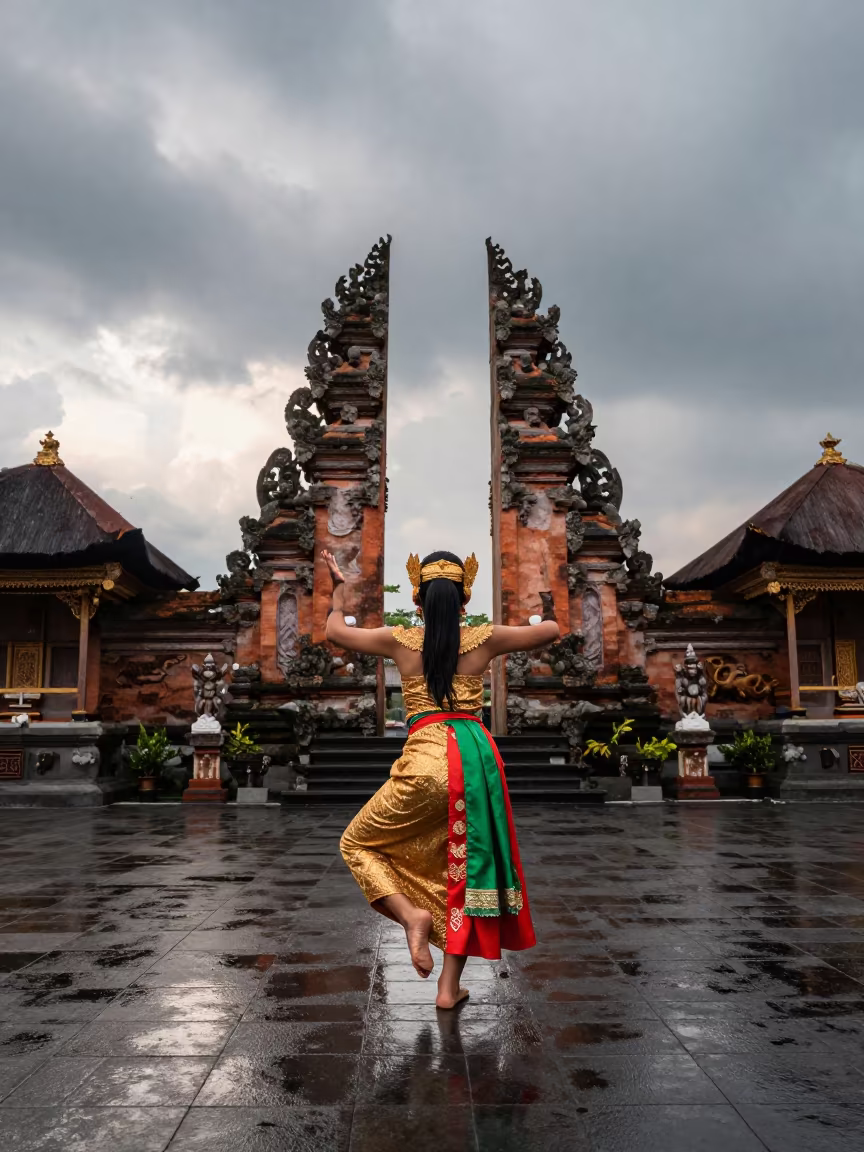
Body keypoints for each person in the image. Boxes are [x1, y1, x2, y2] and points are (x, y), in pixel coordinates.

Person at [322, 547, 560, 1009]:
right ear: (464, 596)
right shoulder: (484, 639)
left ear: (418, 597)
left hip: (426, 757)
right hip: (474, 759)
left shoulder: (399, 640)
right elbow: (549, 631)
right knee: (467, 870)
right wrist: (544, 598)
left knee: (357, 843)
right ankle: (447, 989)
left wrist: (338, 587)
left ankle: (412, 915)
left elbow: (335, 630)